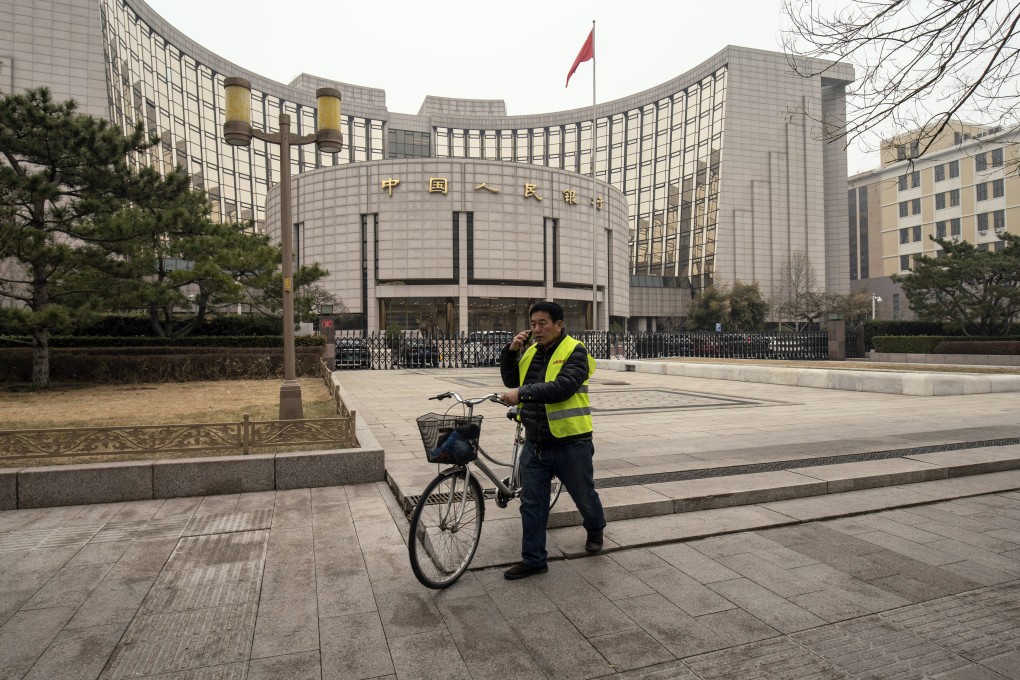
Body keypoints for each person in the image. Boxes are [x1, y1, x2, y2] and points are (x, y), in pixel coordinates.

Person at [498, 301, 606, 580]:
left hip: (572, 441)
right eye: (533, 324)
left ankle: (595, 529)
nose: (536, 329)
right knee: (532, 503)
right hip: (535, 442)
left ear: (559, 324)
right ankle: (534, 559)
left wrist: (521, 394)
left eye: (542, 323)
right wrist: (510, 352)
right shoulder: (530, 351)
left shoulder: (576, 351)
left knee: (584, 496)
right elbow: (513, 379)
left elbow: (563, 388)